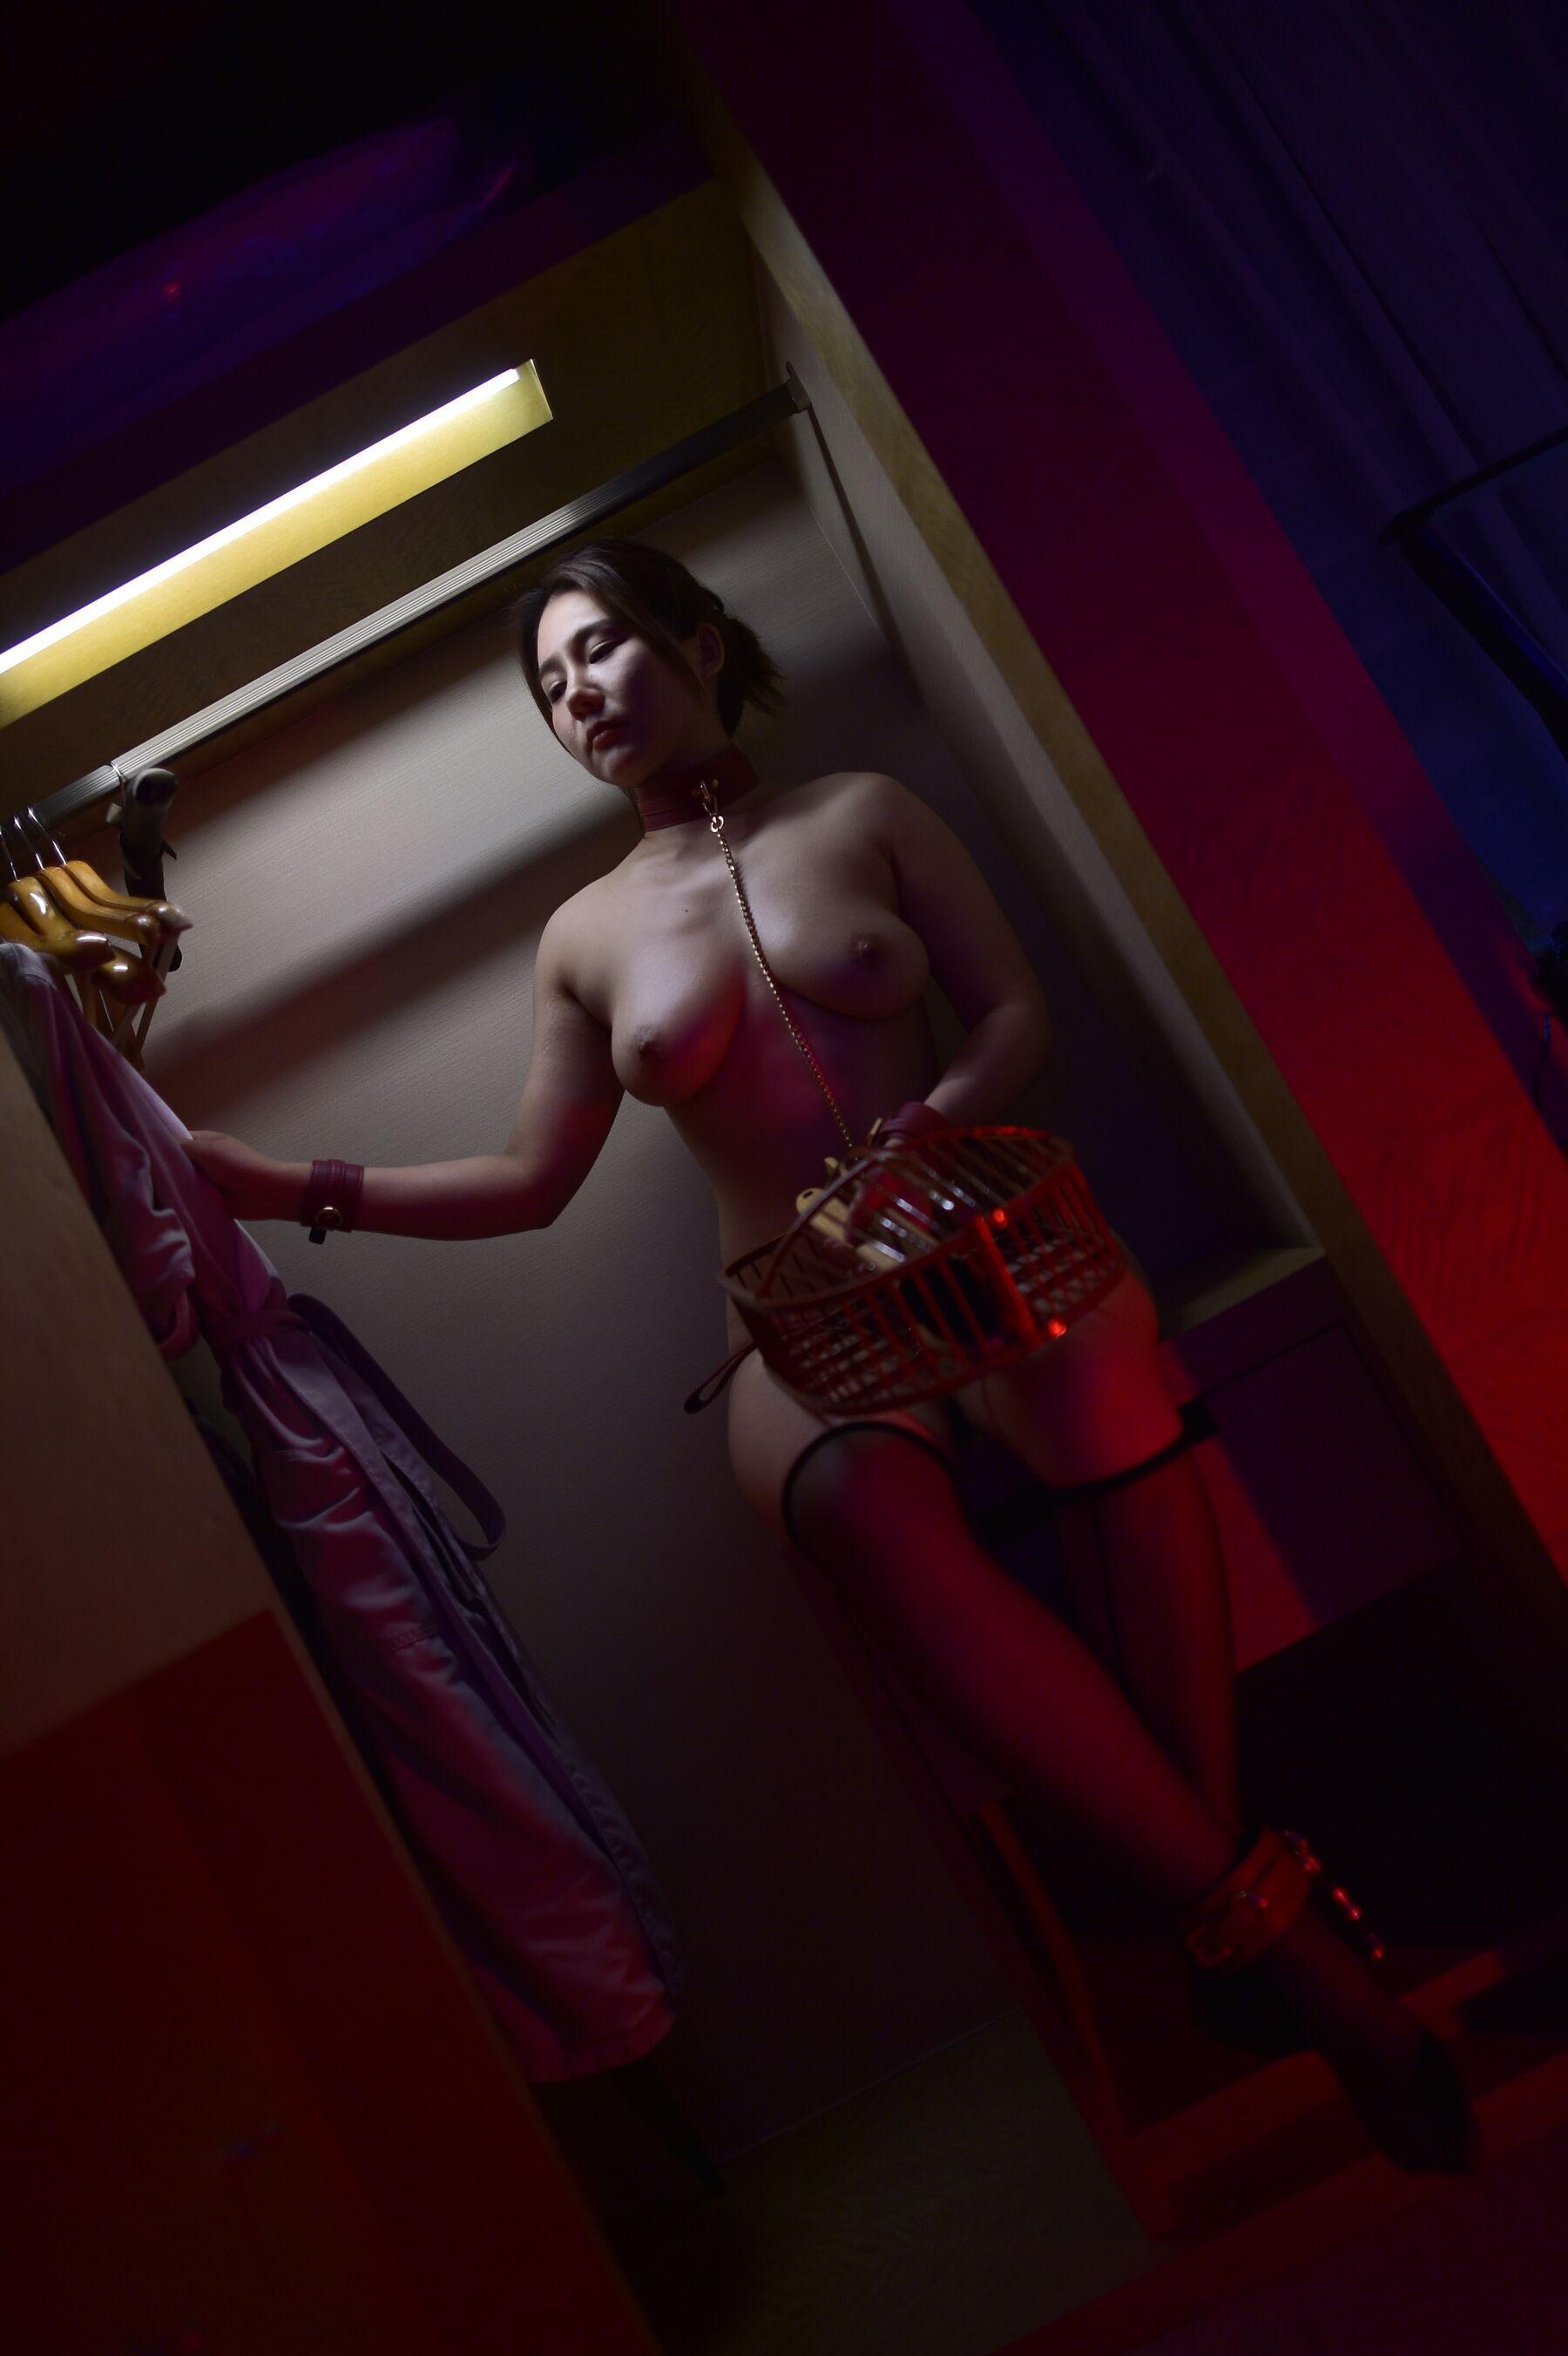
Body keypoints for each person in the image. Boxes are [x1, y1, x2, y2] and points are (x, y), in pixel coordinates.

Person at [182, 536, 1475, 2173]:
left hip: (984, 1256)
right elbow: (526, 1182)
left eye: (603, 650)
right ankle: (1296, 1956)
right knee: (860, 1505)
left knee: (1095, 1362)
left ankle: (1240, 1936)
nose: (580, 697)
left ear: (704, 644)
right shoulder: (583, 934)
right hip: (786, 1332)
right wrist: (291, 1186)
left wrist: (936, 1119)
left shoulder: (867, 813)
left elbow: (1012, 1012)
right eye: (550, 688)